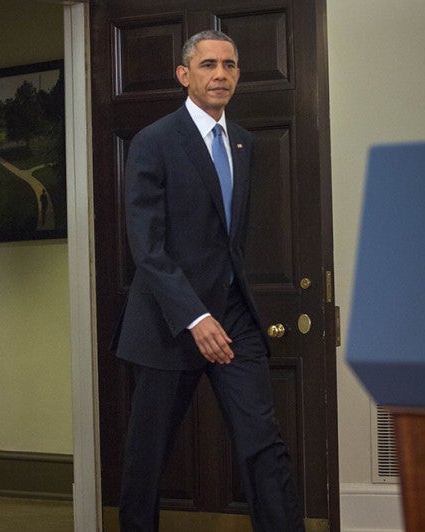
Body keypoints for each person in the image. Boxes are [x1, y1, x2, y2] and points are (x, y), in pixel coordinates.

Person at [112, 30, 305, 532]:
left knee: (263, 443)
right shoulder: (154, 142)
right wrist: (194, 316)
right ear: (184, 75)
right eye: (208, 65)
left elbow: (229, 241)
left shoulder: (244, 142)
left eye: (230, 65)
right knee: (147, 457)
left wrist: (219, 310)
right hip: (168, 322)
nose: (221, 74)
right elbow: (147, 247)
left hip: (233, 316)